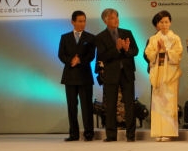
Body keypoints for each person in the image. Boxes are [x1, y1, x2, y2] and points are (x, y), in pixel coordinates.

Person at [95, 8, 139, 142]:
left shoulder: (127, 33)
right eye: (113, 18)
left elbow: (135, 51)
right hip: (111, 74)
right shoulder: (100, 37)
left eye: (117, 17)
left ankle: (131, 135)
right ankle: (111, 135)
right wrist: (116, 49)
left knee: (129, 104)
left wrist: (126, 49)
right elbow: (102, 56)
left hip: (127, 73)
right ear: (105, 21)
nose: (116, 20)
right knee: (110, 105)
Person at [57, 10, 96, 142]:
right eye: (79, 21)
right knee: (72, 107)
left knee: (87, 106)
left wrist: (80, 60)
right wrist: (70, 61)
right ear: (73, 22)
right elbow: (61, 54)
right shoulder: (65, 37)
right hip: (70, 76)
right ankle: (74, 134)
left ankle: (89, 134)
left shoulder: (90, 37)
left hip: (85, 76)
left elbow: (91, 55)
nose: (82, 23)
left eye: (84, 21)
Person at [144, 10, 182, 142]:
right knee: (158, 103)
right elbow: (148, 54)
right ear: (157, 24)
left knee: (168, 102)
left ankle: (168, 131)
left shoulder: (175, 38)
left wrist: (166, 50)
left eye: (166, 22)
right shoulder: (153, 39)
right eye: (161, 22)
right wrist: (157, 50)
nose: (164, 24)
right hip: (158, 72)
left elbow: (178, 55)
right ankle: (158, 132)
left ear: (170, 22)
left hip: (170, 73)